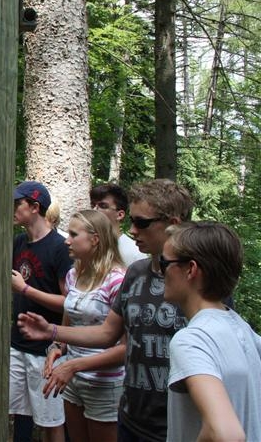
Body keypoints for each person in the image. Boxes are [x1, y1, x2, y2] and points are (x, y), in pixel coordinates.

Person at [18, 179, 193, 442]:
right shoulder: (136, 273)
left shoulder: (198, 278)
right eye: (131, 221)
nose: (132, 231)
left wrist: (74, 363)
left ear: (174, 224)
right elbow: (107, 333)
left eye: (141, 223)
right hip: (133, 412)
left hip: (172, 416)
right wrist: (53, 334)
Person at [162, 222, 261, 442]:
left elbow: (227, 434)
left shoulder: (192, 340)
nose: (162, 273)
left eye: (164, 263)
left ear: (191, 270)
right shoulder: (241, 328)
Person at [44, 210, 126, 442]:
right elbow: (69, 323)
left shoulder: (118, 281)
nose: (67, 240)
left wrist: (74, 366)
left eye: (73, 234)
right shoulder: (73, 275)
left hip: (105, 382)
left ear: (95, 239)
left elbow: (124, 347)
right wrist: (57, 348)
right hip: (73, 378)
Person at [9, 181, 72, 442]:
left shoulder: (60, 248)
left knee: (51, 420)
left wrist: (25, 291)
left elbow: (69, 302)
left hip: (47, 350)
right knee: (18, 414)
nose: (11, 209)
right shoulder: (19, 242)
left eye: (17, 204)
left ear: (35, 207)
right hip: (16, 345)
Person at [89, 183, 145, 266]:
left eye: (103, 206)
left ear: (120, 215)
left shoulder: (135, 253)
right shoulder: (84, 246)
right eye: (93, 205)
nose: (94, 210)